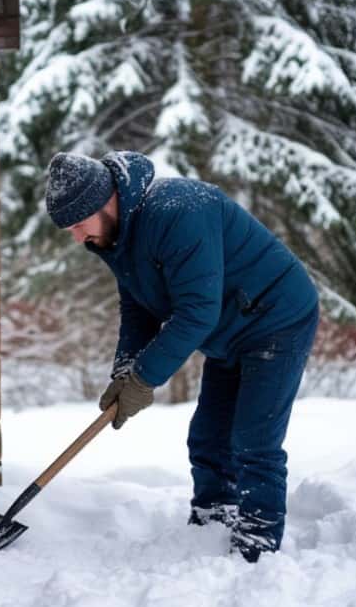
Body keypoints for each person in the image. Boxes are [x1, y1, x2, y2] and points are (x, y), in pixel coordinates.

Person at [44, 150, 319, 563]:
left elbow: (196, 312)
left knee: (252, 440)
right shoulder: (118, 238)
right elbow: (138, 310)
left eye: (79, 225)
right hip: (230, 332)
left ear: (105, 203)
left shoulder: (178, 211)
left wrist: (144, 380)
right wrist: (125, 371)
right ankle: (212, 521)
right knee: (208, 437)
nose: (78, 238)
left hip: (276, 318)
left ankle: (258, 546)